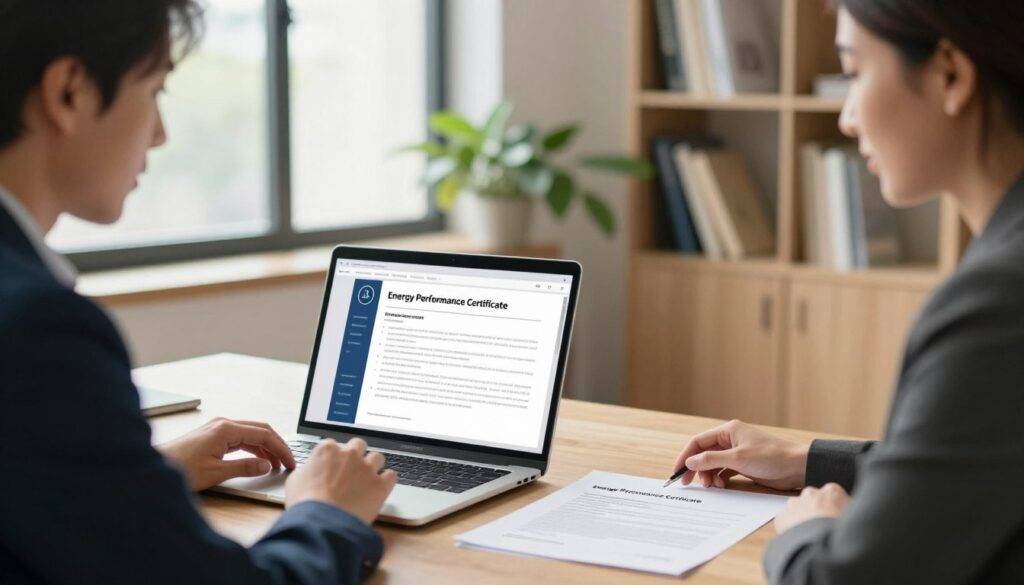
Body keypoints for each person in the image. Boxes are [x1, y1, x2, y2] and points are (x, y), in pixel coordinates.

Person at [0, 1, 397, 583]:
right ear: (69, 92)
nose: (160, 135)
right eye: (155, 91)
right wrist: (327, 513)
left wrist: (139, 476)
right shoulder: (40, 329)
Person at [672, 1, 1024, 583]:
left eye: (856, 73)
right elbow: (981, 459)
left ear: (951, 76)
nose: (847, 118)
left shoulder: (995, 302)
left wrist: (808, 532)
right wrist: (805, 462)